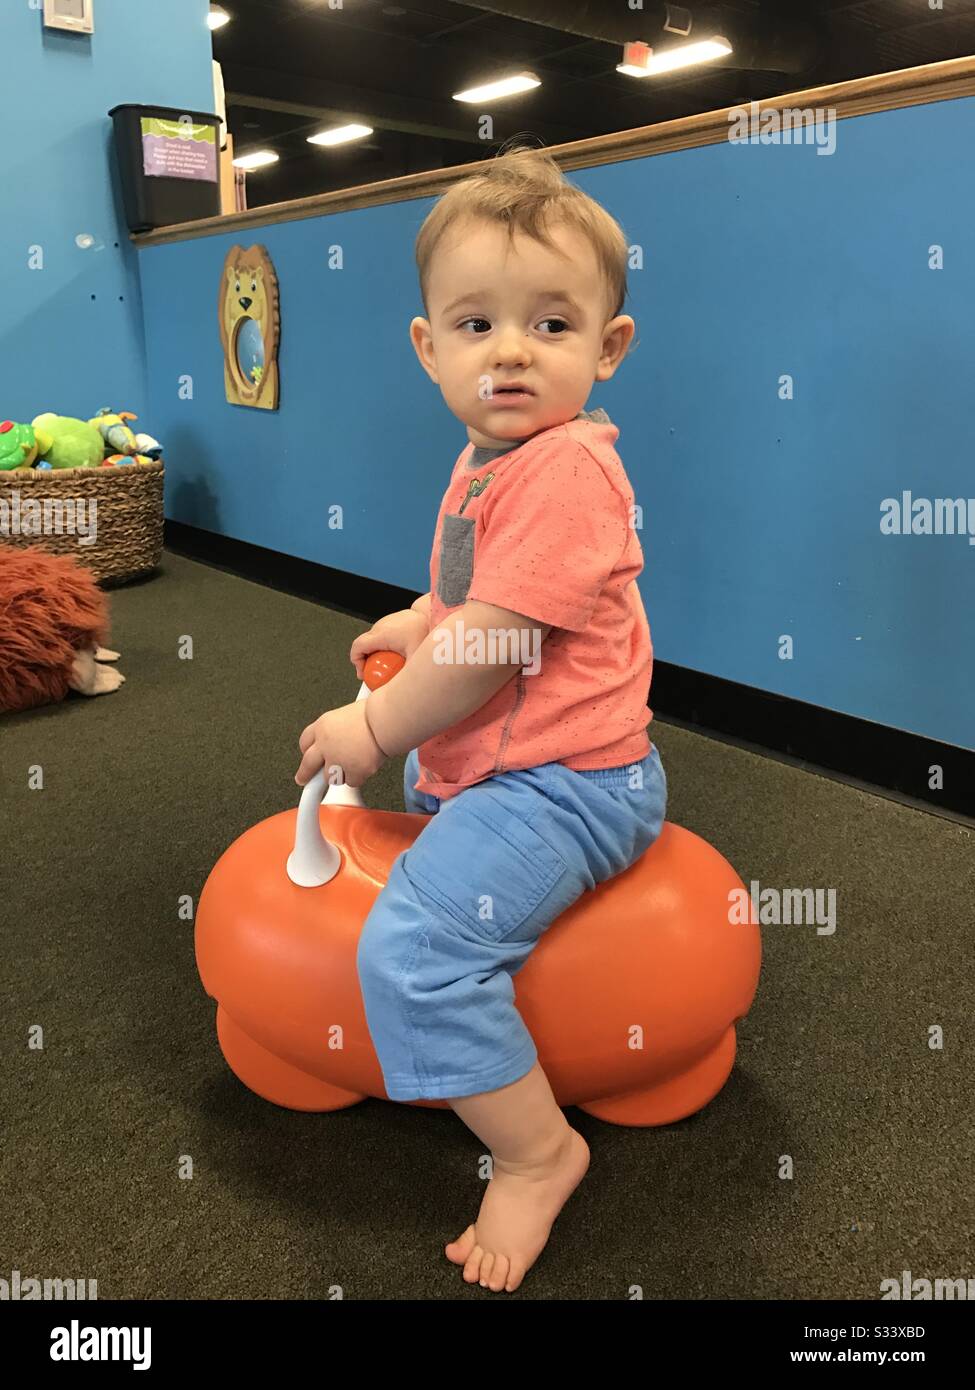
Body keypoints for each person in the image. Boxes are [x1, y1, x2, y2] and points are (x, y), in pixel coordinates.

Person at [295, 146, 667, 1293]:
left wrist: (377, 726)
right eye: (475, 325)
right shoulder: (489, 462)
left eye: (551, 325)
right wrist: (414, 620)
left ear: (607, 349)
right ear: (431, 348)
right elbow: (468, 603)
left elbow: (495, 643)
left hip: (572, 784)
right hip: (500, 768)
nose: (509, 351)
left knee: (414, 948)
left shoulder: (566, 473)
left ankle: (537, 1151)